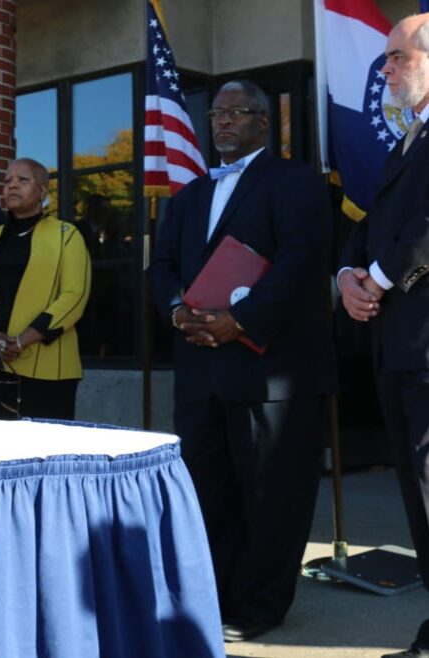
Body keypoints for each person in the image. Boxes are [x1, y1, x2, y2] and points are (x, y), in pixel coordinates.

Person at [149, 80, 336, 642]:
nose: (224, 121)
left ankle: (260, 607)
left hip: (269, 370)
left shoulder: (298, 182)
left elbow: (301, 264)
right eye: (218, 114)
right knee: (210, 491)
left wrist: (245, 319)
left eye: (237, 112)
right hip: (202, 371)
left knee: (272, 495)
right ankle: (216, 597)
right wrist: (178, 311)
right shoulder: (187, 196)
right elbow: (161, 268)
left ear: (264, 121)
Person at [337, 14, 429, 658]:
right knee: (418, 492)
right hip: (397, 345)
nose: (387, 68)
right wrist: (346, 272)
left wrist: (374, 277)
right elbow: (370, 226)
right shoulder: (408, 141)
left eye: (397, 56)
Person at [0, 158, 91, 420]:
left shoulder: (67, 235)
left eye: (23, 180)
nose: (12, 186)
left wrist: (22, 340)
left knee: (45, 452)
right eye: (7, 182)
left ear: (42, 190)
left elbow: (75, 297)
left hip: (50, 369)